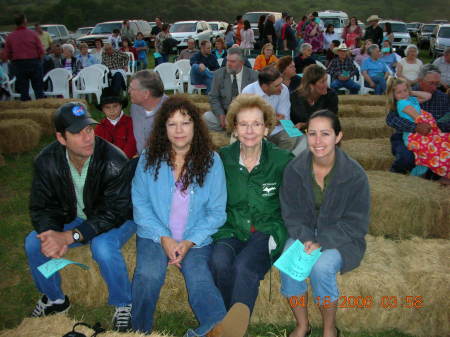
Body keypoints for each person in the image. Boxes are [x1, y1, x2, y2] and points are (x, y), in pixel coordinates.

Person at [131, 95, 242, 335]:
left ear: (195, 126)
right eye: (172, 124)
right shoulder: (148, 159)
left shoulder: (212, 161)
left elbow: (216, 212)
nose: (179, 130)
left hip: (195, 238)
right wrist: (165, 238)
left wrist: (189, 241)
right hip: (154, 234)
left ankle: (217, 329)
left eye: (185, 122)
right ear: (164, 128)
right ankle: (138, 330)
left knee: (200, 279)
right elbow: (140, 203)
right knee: (147, 275)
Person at [25, 102, 136, 331]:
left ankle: (124, 303)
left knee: (103, 247)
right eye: (77, 132)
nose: (88, 138)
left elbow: (114, 212)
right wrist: (50, 233)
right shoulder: (46, 162)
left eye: (89, 129)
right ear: (61, 138)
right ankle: (55, 299)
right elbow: (42, 206)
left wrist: (71, 236)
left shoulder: (114, 160)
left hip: (119, 216)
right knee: (33, 243)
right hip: (77, 215)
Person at [280, 109, 370, 337]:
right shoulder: (294, 169)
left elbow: (356, 223)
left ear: (338, 136)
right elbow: (291, 213)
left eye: (325, 134)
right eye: (312, 134)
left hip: (342, 238)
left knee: (321, 267)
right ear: (306, 136)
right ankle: (302, 324)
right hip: (304, 232)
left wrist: (322, 241)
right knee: (291, 264)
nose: (318, 141)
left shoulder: (355, 175)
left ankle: (329, 328)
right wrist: (307, 238)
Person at [210, 94, 294, 335]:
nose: (249, 130)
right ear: (234, 127)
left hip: (266, 229)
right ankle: (229, 321)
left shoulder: (282, 160)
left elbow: (298, 202)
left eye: (256, 124)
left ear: (266, 128)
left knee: (244, 268)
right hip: (230, 227)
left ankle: (232, 330)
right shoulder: (221, 159)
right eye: (243, 124)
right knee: (219, 263)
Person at [386, 64, 450, 176]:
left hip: (435, 135)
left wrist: (438, 127)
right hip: (405, 135)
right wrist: (415, 127)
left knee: (441, 155)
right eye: (431, 83)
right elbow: (391, 119)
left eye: (437, 83)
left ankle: (429, 176)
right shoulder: (405, 95)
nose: (435, 87)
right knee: (407, 158)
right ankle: (392, 176)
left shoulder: (443, 98)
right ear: (420, 81)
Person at [242, 66, 296, 151]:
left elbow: (284, 118)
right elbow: (249, 121)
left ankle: (280, 162)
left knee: (294, 134)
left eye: (281, 83)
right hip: (255, 130)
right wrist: (274, 118)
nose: (281, 87)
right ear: (264, 87)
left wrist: (264, 119)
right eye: (277, 85)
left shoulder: (284, 89)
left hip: (280, 128)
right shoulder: (248, 91)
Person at [205, 47, 258, 131]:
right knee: (207, 117)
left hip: (245, 114)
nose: (228, 64)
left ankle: (236, 129)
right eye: (228, 60)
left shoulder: (253, 76)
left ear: (241, 62)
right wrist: (221, 115)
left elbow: (257, 101)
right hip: (225, 112)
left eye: (232, 61)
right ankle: (231, 129)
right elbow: (213, 97)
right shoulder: (218, 74)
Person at [4, 14, 44, 100]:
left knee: (23, 90)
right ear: (25, 22)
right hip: (34, 62)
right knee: (38, 89)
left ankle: (26, 105)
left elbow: (7, 53)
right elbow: (41, 50)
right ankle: (41, 105)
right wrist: (39, 59)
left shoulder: (10, 36)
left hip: (18, 64)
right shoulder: (32, 34)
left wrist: (13, 60)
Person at [129, 70, 168, 154]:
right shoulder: (135, 107)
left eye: (132, 89)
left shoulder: (172, 111)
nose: (129, 91)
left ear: (146, 93)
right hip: (141, 161)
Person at [291, 64, 338, 132]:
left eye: (326, 81)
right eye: (322, 82)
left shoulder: (331, 96)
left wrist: (305, 125)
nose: (326, 85)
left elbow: (330, 120)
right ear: (311, 85)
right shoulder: (294, 97)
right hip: (297, 134)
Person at [95, 87, 137, 159]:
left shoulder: (130, 123)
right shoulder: (100, 127)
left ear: (121, 106)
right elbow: (98, 148)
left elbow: (131, 144)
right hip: (107, 163)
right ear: (102, 109)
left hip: (126, 161)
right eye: (107, 107)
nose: (112, 110)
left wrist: (121, 160)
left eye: (115, 106)